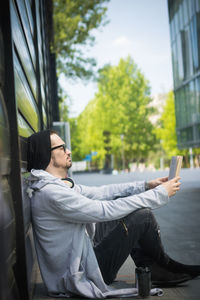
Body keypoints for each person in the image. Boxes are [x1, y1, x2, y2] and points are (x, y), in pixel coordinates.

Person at [25, 129, 200, 298]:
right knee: (142, 216)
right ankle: (163, 267)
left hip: (85, 257)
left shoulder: (57, 186)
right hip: (83, 273)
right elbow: (103, 211)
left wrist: (146, 185)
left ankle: (155, 267)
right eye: (62, 148)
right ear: (46, 154)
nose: (68, 151)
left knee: (130, 212)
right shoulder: (52, 194)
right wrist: (159, 194)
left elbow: (102, 191)